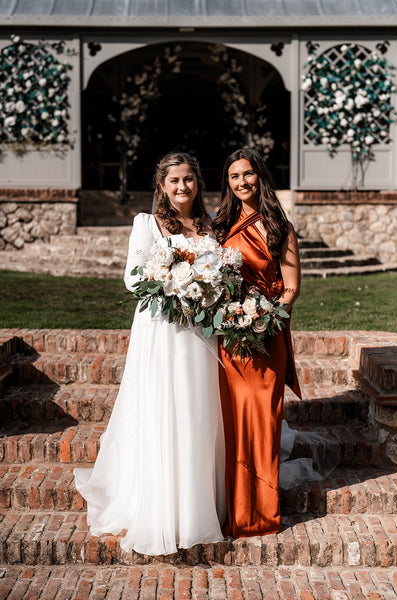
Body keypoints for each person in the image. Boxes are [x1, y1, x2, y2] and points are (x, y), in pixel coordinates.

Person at [74, 152, 226, 556]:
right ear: (161, 186)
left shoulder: (212, 224)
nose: (182, 187)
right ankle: (160, 510)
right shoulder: (147, 224)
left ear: (198, 182)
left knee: (198, 412)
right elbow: (133, 277)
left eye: (189, 179)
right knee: (162, 412)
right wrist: (177, 281)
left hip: (200, 334)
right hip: (163, 332)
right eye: (174, 180)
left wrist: (207, 286)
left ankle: (198, 505)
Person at [212, 147, 302, 538]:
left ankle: (260, 514)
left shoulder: (280, 227)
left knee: (262, 423)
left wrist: (263, 322)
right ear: (228, 183)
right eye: (234, 177)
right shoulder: (220, 225)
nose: (241, 182)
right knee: (232, 425)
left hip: (265, 338)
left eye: (247, 174)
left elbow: (292, 288)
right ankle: (230, 508)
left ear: (259, 176)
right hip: (230, 340)